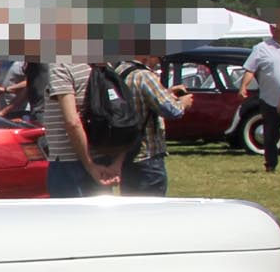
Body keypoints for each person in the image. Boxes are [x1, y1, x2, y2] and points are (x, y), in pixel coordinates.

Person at [40, 60, 120, 197]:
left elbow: (72, 122)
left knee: (68, 216)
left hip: (68, 161)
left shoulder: (62, 66)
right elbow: (122, 115)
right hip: (102, 158)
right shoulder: (104, 65)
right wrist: (117, 163)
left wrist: (90, 166)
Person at [118, 56, 192, 196]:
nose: (159, 60)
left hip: (125, 151)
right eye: (158, 56)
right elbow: (172, 111)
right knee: (152, 207)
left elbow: (139, 98)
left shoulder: (120, 70)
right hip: (148, 152)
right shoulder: (145, 76)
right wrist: (183, 102)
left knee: (130, 205)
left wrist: (168, 93)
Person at [236, 23, 280, 172]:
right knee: (271, 134)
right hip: (270, 99)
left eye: (278, 27)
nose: (275, 30)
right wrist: (243, 87)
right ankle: (270, 164)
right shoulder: (261, 48)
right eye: (273, 27)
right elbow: (250, 69)